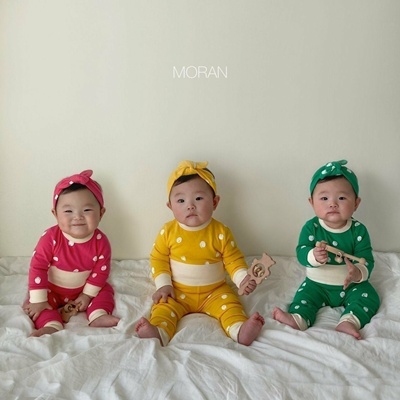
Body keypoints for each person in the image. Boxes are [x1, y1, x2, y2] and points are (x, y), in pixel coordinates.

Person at [135, 160, 265, 346]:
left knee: (230, 306)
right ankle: (159, 331)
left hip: (215, 291)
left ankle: (239, 329)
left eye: (198, 198)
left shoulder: (220, 232)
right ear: (170, 206)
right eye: (181, 200)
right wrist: (163, 285)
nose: (190, 206)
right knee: (163, 308)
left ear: (215, 202)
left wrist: (242, 278)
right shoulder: (168, 231)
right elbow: (158, 259)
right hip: (177, 291)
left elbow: (233, 259)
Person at [273, 160, 380, 339]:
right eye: (324, 198)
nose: (333, 204)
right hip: (317, 284)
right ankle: (298, 318)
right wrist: (313, 256)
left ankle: (349, 320)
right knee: (305, 297)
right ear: (312, 202)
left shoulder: (358, 230)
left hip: (351, 285)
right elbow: (301, 252)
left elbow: (366, 259)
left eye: (342, 198)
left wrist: (358, 272)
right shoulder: (312, 228)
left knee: (369, 297)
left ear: (356, 203)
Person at [23, 170, 120, 336]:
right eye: (68, 211)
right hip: (52, 289)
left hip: (84, 287)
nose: (78, 217)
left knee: (105, 290)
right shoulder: (50, 238)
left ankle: (98, 315)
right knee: (38, 302)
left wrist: (87, 295)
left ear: (101, 213)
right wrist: (39, 300)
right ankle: (51, 324)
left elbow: (100, 271)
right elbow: (38, 267)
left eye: (87, 210)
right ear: (55, 214)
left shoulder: (101, 242)